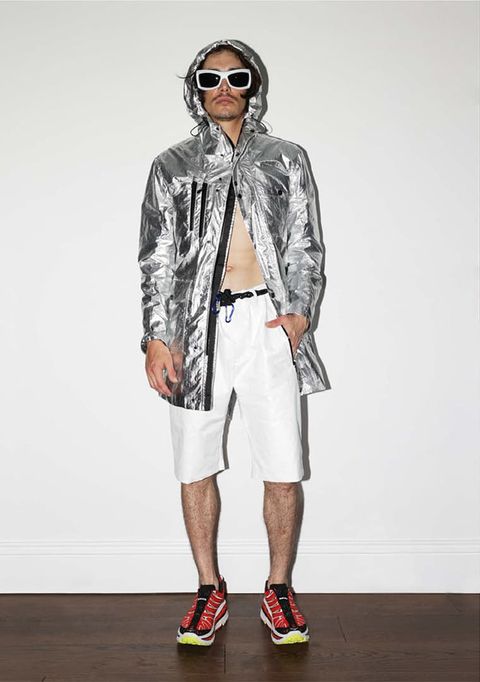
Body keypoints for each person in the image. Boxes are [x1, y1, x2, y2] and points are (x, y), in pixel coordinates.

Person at [138, 38, 328, 647]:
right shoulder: (172, 165)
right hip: (194, 333)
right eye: (211, 78)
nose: (224, 87)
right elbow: (156, 257)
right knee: (195, 463)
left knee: (283, 465)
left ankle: (279, 589)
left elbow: (304, 242)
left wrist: (299, 313)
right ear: (195, 88)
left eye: (236, 77)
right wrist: (157, 336)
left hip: (266, 327)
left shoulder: (286, 158)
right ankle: (208, 589)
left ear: (253, 86)